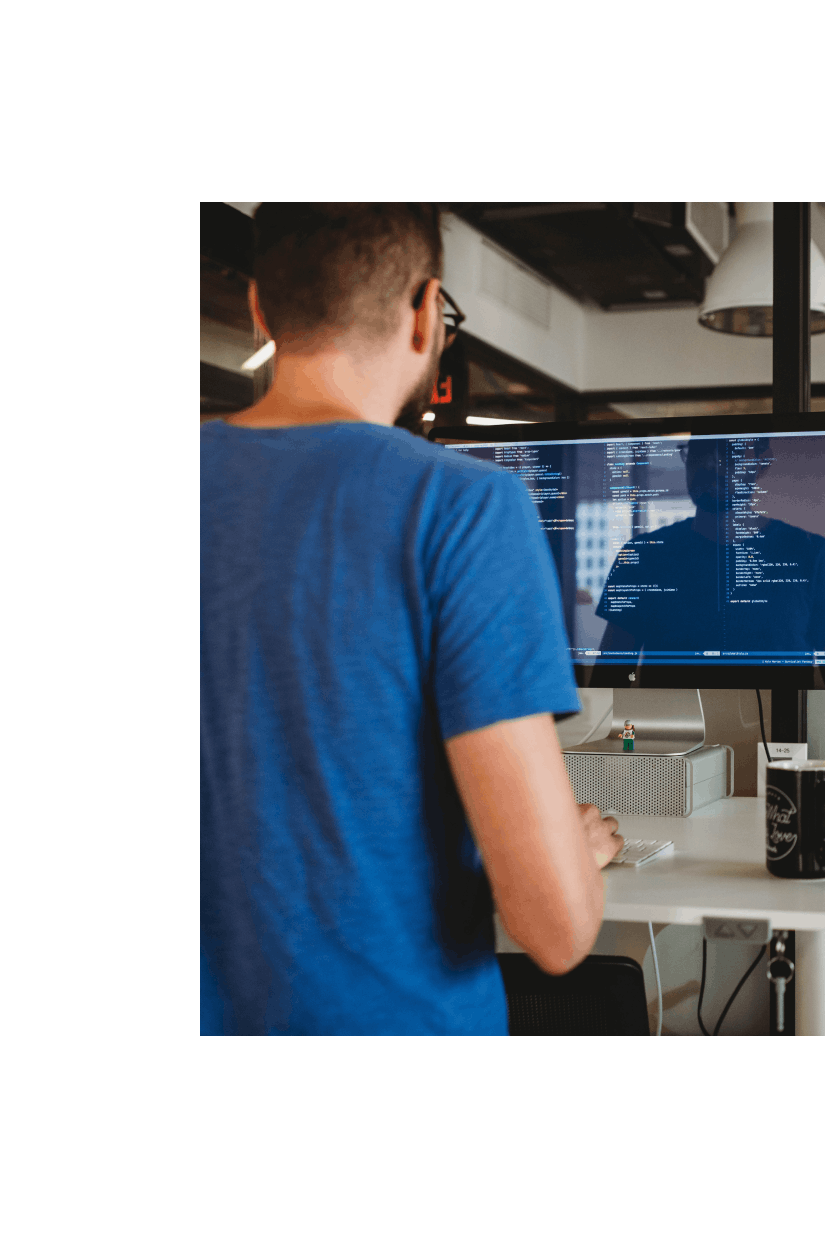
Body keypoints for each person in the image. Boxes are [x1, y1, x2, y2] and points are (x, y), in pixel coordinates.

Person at [200, 203, 623, 1036]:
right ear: (428, 313)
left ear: (259, 307)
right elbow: (556, 931)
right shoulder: (462, 506)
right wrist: (576, 855)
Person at [598, 438, 825, 658]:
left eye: (730, 451)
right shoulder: (643, 556)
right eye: (699, 450)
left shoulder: (813, 555)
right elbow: (611, 675)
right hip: (675, 705)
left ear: (762, 463)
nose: (710, 463)